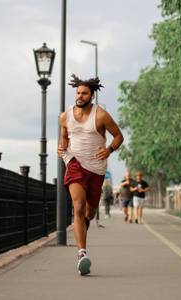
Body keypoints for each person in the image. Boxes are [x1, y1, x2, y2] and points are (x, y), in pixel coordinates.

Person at [58, 74, 124, 276]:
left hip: (96, 168)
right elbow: (64, 137)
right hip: (74, 163)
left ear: (91, 95)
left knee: (89, 212)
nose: (80, 95)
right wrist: (62, 149)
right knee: (78, 206)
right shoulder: (65, 116)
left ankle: (82, 233)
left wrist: (109, 150)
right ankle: (82, 254)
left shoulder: (101, 115)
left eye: (84, 93)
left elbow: (119, 136)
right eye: (78, 92)